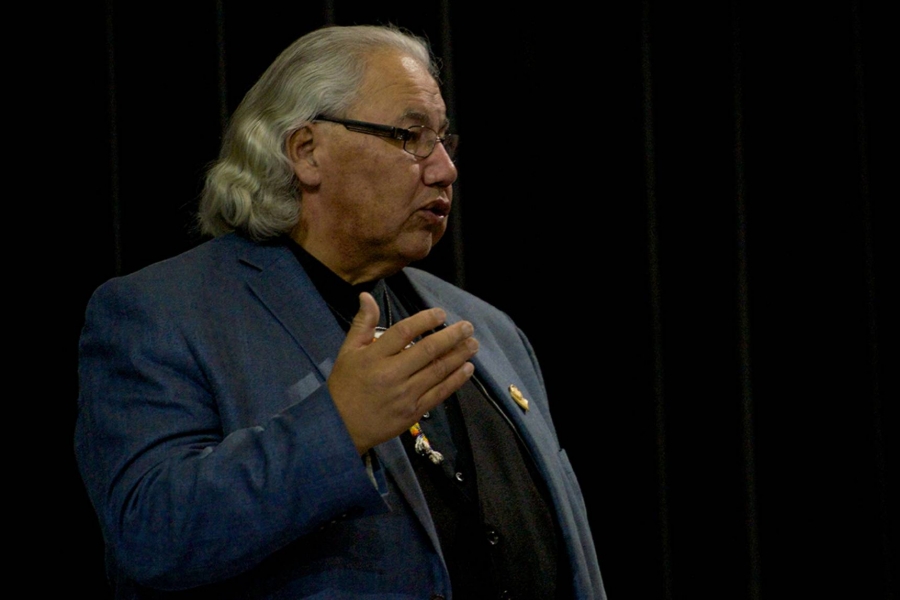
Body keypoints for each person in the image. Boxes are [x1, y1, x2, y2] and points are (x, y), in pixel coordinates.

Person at [76, 25, 606, 599]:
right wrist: (338, 427)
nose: (444, 169)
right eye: (410, 136)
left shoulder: (491, 329)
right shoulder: (161, 314)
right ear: (306, 152)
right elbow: (150, 537)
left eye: (444, 140)